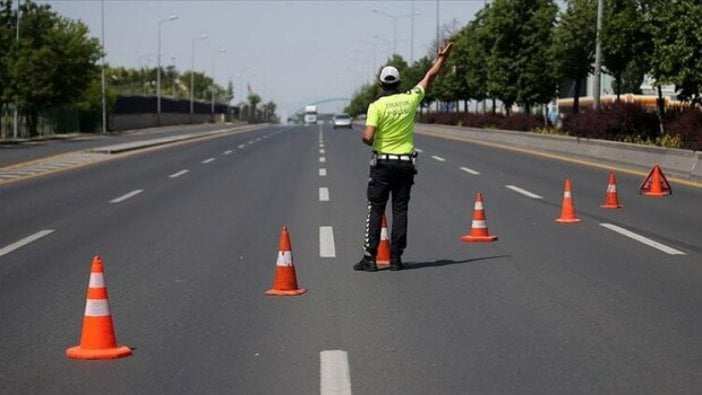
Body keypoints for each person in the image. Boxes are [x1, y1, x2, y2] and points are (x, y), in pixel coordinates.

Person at [354, 42, 453, 272]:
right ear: (398, 83)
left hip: (383, 164)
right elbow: (429, 77)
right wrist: (442, 59)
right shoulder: (410, 99)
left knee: (376, 208)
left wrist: (369, 136)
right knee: (400, 209)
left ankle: (370, 258)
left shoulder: (376, 106)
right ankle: (397, 258)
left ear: (381, 84)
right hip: (406, 165)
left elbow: (368, 137)